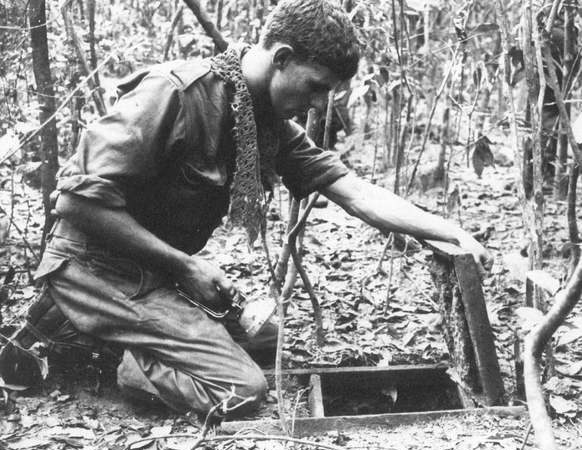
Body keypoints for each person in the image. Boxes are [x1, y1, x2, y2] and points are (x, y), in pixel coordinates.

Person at [2, 0, 493, 417]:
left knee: (272, 343)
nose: (320, 104)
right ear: (281, 57)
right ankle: (117, 359)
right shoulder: (174, 93)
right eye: (315, 86)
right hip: (95, 269)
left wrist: (451, 231)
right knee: (241, 389)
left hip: (152, 273)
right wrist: (184, 265)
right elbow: (75, 204)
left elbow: (354, 192)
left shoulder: (262, 119)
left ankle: (122, 333)